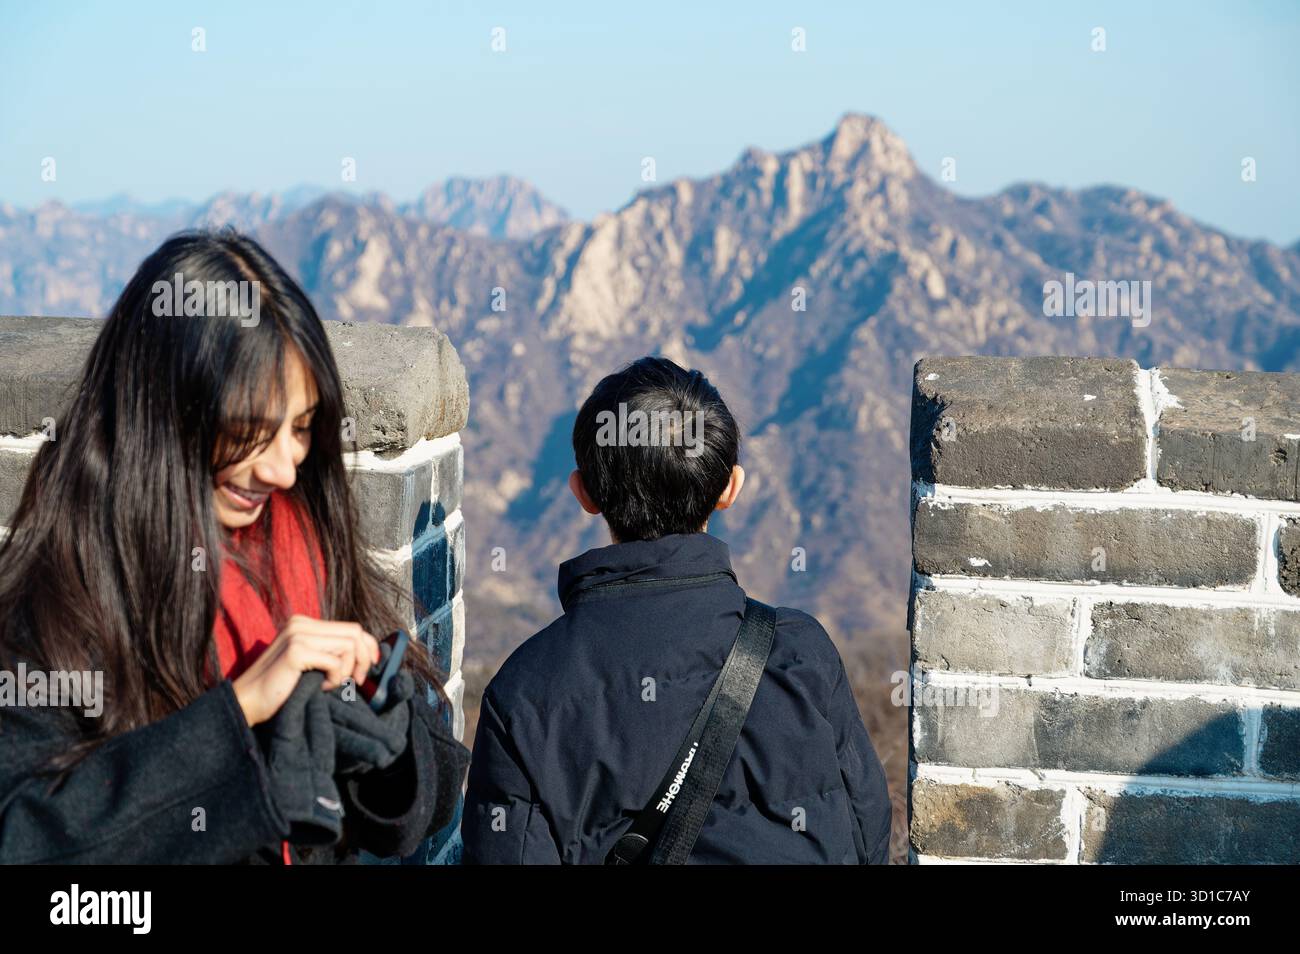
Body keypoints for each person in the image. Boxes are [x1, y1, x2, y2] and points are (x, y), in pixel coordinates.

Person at [0, 231, 468, 864]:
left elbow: (417, 808)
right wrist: (238, 712)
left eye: (300, 429)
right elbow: (29, 841)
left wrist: (387, 741)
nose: (282, 469)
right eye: (248, 435)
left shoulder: (304, 541)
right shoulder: (55, 603)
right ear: (161, 421)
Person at [462, 356, 892, 863]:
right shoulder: (800, 653)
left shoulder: (524, 693)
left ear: (584, 495)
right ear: (730, 489)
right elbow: (868, 831)